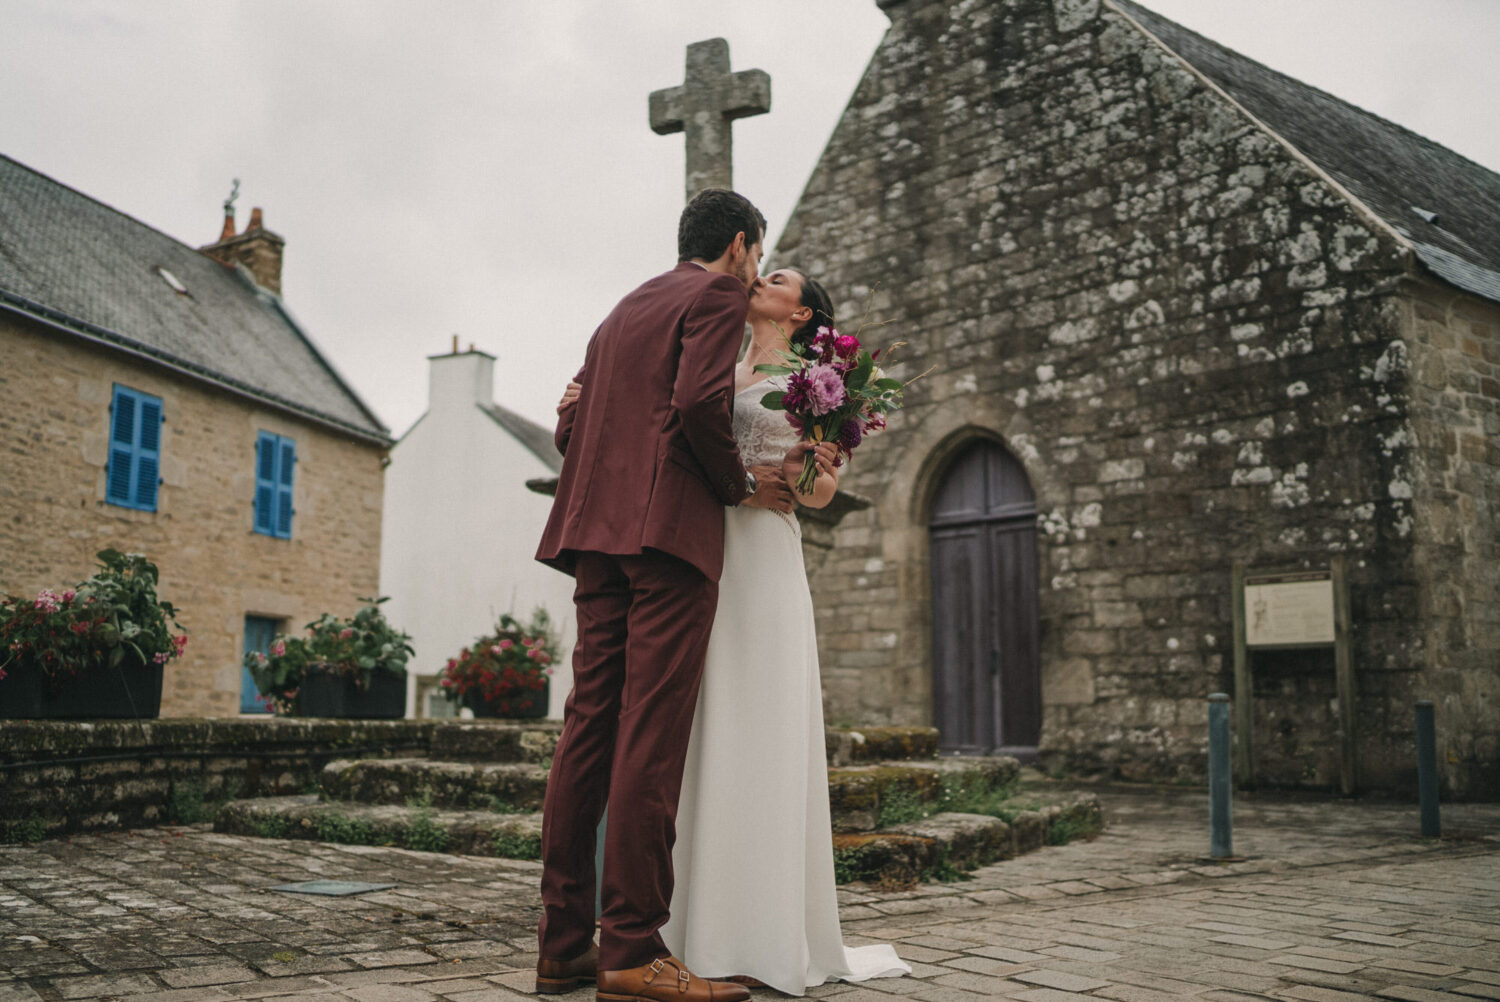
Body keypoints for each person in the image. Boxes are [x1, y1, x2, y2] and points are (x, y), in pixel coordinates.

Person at [555, 267, 910, 996]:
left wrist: (813, 463)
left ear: (802, 309)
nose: (761, 275)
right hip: (693, 548)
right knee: (689, 738)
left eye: (778, 277)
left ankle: (760, 925)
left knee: (758, 729)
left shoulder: (821, 379)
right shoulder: (713, 359)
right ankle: (684, 927)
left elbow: (816, 492)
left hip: (763, 559)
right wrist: (580, 406)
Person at [533, 189, 832, 1002]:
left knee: (587, 732)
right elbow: (702, 404)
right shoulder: (715, 295)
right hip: (667, 540)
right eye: (759, 255)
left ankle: (561, 946)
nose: (757, 272)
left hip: (593, 541)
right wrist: (735, 488)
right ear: (739, 246)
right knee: (651, 739)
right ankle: (631, 949)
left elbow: (570, 431)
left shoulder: (621, 310)